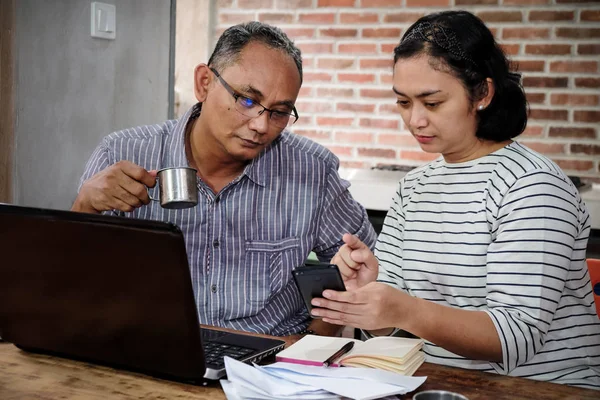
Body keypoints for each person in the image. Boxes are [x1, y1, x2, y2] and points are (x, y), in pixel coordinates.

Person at [310, 10, 600, 389]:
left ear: (482, 93)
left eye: (432, 103)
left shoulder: (532, 186)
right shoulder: (413, 188)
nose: (415, 120)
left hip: (541, 389)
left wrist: (405, 308)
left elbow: (516, 336)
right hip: (440, 384)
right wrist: (369, 294)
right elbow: (393, 330)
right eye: (403, 102)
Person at [72, 21, 377, 339]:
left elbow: (364, 270)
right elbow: (69, 281)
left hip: (272, 363)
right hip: (148, 349)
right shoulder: (123, 152)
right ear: (204, 83)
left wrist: (311, 342)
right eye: (247, 100)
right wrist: (84, 205)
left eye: (279, 113)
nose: (261, 126)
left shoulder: (312, 170)